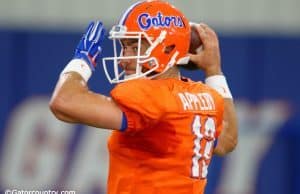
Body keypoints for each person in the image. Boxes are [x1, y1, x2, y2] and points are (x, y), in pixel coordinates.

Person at [49, 0, 238, 193]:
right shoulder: (206, 96)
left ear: (167, 48)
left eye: (135, 46)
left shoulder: (150, 96)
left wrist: (82, 60)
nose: (123, 59)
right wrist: (214, 71)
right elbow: (227, 140)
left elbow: (64, 102)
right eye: (124, 47)